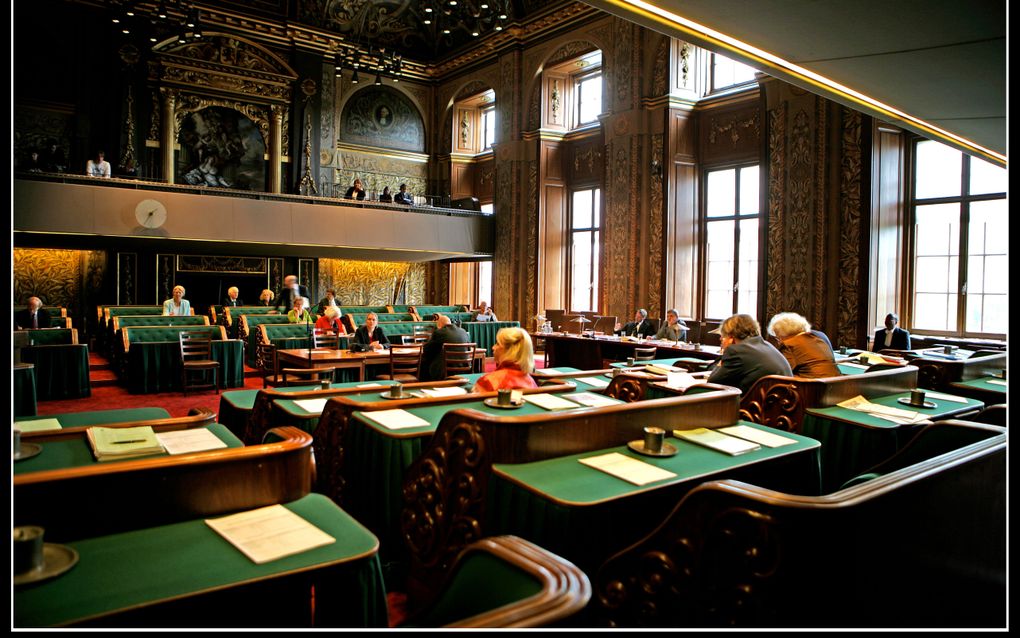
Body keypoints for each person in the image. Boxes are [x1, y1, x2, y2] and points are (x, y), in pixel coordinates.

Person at [707, 313, 793, 394]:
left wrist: (725, 352)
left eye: (723, 336)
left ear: (731, 337)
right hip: (784, 404)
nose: (720, 339)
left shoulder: (736, 351)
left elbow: (713, 382)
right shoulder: (766, 345)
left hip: (755, 407)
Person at [766, 312, 839, 378]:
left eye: (778, 337)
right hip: (836, 386)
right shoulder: (818, 339)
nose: (779, 341)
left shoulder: (789, 345)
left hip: (811, 387)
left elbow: (781, 372)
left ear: (783, 332)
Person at [472, 327, 539, 392]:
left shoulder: (487, 382)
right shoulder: (532, 383)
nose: (493, 347)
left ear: (510, 350)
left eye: (498, 344)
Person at [420, 313, 471, 381]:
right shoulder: (463, 331)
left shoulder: (439, 332)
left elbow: (427, 350)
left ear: (439, 325)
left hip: (444, 370)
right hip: (465, 369)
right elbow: (469, 349)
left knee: (424, 363)